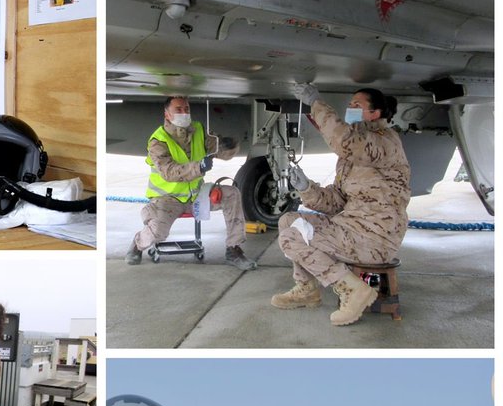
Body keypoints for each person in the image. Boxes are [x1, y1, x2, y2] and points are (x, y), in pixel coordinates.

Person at [274, 84, 411, 326]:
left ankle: (351, 289)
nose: (350, 108)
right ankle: (307, 289)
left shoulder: (384, 143)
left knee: (290, 238)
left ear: (375, 114)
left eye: (357, 105)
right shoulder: (352, 158)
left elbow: (344, 140)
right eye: (350, 104)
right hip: (352, 228)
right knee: (288, 221)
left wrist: (316, 104)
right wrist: (307, 187)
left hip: (376, 236)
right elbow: (337, 201)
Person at [126, 96, 255, 270]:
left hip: (196, 196)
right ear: (167, 115)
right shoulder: (158, 141)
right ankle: (137, 243)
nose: (184, 113)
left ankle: (233, 249)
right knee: (158, 232)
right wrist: (198, 167)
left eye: (186, 109)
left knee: (231, 194)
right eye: (178, 109)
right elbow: (169, 172)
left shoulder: (199, 130)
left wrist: (229, 146)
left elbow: (218, 150)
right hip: (167, 199)